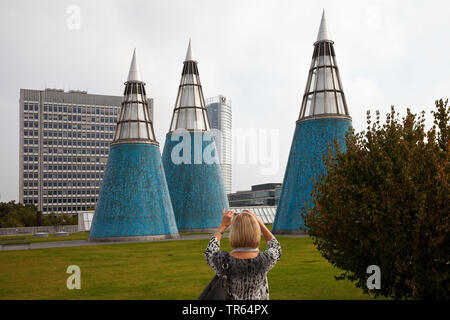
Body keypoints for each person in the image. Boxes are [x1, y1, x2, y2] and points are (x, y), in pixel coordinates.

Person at [204, 208, 282, 300]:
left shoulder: (221, 259)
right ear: (256, 231)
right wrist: (260, 224)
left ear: (233, 232)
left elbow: (210, 251)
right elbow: (276, 247)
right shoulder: (265, 260)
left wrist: (223, 226)